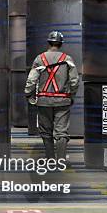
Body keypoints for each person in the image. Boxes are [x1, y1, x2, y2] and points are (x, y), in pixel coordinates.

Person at [25, 31, 79, 162]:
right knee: (61, 132)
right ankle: (61, 160)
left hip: (43, 101)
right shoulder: (67, 59)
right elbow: (74, 81)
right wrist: (71, 95)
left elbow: (32, 80)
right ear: (61, 44)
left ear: (48, 42)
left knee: (46, 131)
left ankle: (50, 159)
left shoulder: (39, 59)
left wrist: (28, 93)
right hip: (62, 101)